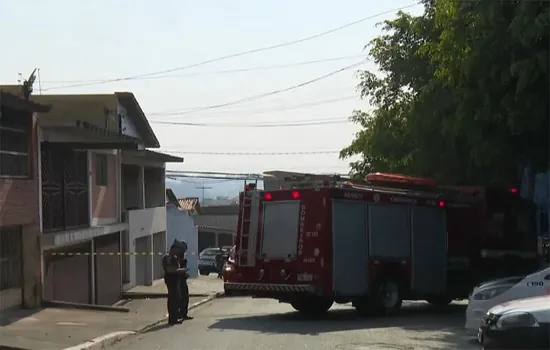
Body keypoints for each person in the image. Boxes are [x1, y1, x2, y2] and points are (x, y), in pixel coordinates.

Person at [162, 240, 187, 325]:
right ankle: (172, 319)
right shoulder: (168, 258)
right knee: (173, 299)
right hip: (171, 279)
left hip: (175, 279)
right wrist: (180, 271)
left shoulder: (174, 257)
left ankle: (175, 317)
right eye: (178, 249)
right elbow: (170, 270)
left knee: (177, 299)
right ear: (174, 249)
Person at [176, 240, 193, 320]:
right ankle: (179, 314)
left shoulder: (182, 256)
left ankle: (184, 314)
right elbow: (176, 269)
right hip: (178, 280)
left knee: (185, 297)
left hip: (183, 278)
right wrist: (183, 271)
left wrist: (185, 273)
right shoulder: (177, 257)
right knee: (181, 297)